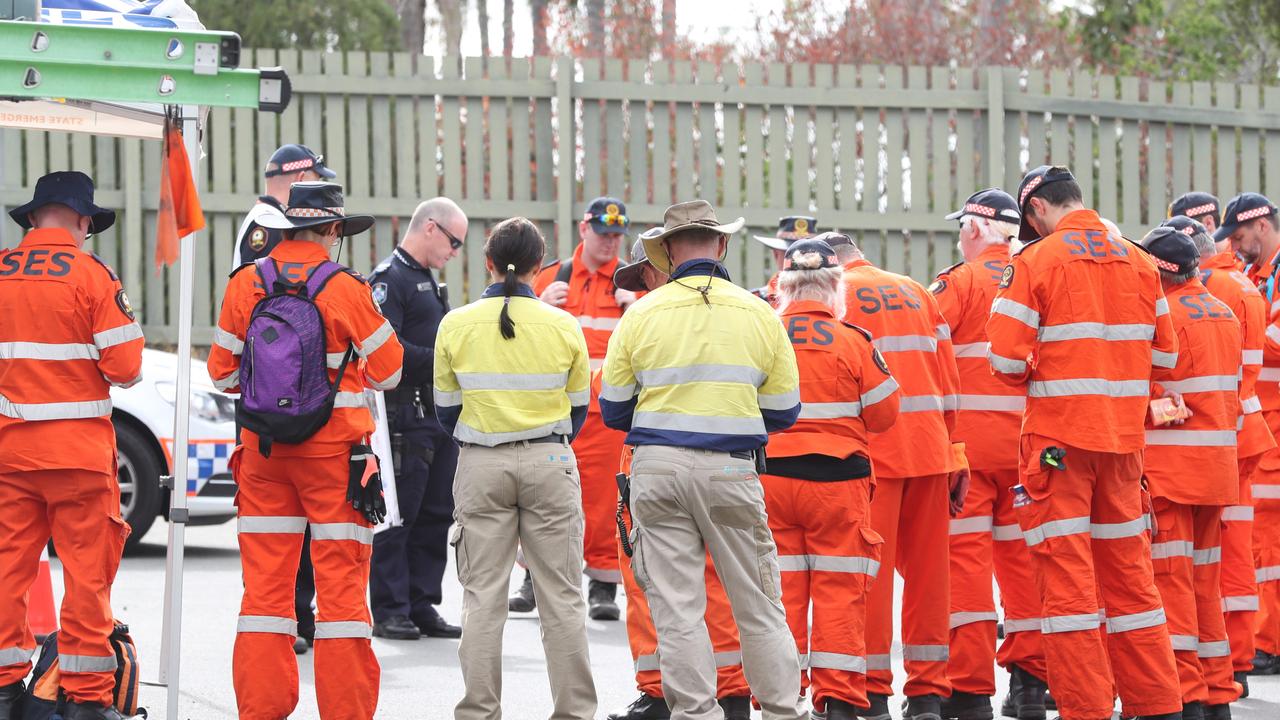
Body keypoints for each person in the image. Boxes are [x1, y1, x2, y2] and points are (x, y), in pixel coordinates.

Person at [987, 164, 1182, 720]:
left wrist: (1043, 368)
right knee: (1132, 581)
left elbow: (1002, 359)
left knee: (1068, 585)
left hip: (1058, 449)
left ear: (1035, 211)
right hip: (1122, 447)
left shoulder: (1035, 259)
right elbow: (1166, 359)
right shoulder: (1141, 261)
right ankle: (1157, 705)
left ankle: (1088, 709)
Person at [600, 200, 807, 720]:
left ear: (667, 252)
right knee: (758, 605)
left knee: (677, 610)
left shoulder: (640, 313)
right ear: (722, 245)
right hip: (734, 467)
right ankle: (783, 711)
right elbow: (783, 411)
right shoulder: (760, 312)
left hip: (658, 469)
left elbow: (613, 409)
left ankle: (695, 714)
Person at [208, 181, 404, 720]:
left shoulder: (245, 283)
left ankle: (262, 709)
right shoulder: (346, 289)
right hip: (336, 461)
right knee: (341, 599)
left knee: (265, 597)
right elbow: (389, 372)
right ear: (334, 228)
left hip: (264, 456)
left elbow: (222, 373)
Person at [433, 217, 597, 720]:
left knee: (483, 596)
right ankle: (573, 712)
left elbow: (446, 409)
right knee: (562, 597)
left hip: (482, 463)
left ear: (487, 261)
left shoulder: (455, 324)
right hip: (550, 459)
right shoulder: (564, 325)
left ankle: (479, 711)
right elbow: (577, 408)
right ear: (538, 266)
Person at [0, 171, 144, 720]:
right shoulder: (91, 275)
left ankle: (5, 692)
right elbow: (127, 368)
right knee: (86, 579)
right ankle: (86, 703)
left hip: (10, 458)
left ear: (34, 218)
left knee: (7, 573)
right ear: (84, 222)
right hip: (79, 462)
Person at [607, 238, 753, 720]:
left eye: (642, 277)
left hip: (657, 465)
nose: (639, 289)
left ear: (660, 269)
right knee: (707, 584)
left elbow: (610, 401)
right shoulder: (731, 311)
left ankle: (671, 693)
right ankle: (716, 693)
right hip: (723, 463)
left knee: (663, 583)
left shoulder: (649, 319)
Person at [764, 236, 901, 719]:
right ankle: (839, 701)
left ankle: (781, 697)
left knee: (779, 591)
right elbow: (885, 415)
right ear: (834, 288)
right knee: (840, 590)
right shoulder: (854, 341)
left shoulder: (763, 335)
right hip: (838, 487)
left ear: (782, 286)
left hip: (771, 483)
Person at [833, 228, 964, 719]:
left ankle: (872, 691)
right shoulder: (915, 290)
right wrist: (956, 452)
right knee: (931, 578)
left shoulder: (835, 295)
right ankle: (928, 693)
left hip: (874, 456)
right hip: (930, 451)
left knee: (871, 577)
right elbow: (949, 380)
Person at [930, 190, 1049, 719]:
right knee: (1025, 568)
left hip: (967, 455)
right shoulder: (1035, 276)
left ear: (977, 230)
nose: (960, 235)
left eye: (963, 227)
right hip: (1028, 452)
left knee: (966, 567)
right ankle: (1029, 685)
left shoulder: (960, 282)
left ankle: (969, 688)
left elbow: (923, 351)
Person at [1163, 213, 1275, 696]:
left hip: (1187, 456)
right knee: (1224, 563)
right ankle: (1230, 668)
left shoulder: (1184, 307)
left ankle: (1196, 683)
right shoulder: (1235, 294)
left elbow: (1176, 400)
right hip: (1235, 439)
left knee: (1185, 572)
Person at [1138, 226, 1241, 719]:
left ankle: (1187, 695)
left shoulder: (1164, 316)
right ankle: (1218, 693)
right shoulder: (1222, 311)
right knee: (1205, 586)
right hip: (1216, 473)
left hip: (1173, 476)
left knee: (1171, 583)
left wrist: (1142, 410)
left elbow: (1177, 406)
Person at [520, 197, 633, 619]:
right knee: (544, 497)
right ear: (584, 230)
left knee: (605, 501)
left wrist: (634, 309)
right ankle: (533, 577)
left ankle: (603, 585)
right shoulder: (549, 280)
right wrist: (538, 305)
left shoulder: (631, 285)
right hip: (555, 409)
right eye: (603, 234)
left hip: (605, 413)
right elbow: (514, 336)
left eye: (617, 235)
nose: (610, 243)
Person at [367, 198, 469, 641]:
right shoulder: (390, 280)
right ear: (431, 227)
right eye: (454, 241)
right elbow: (386, 352)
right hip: (402, 418)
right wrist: (448, 362)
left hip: (434, 417)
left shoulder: (425, 278)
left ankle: (421, 602)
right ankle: (391, 608)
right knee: (400, 514)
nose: (455, 251)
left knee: (435, 512)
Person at [1226, 192, 1280, 677]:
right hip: (1267, 424)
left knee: (1268, 540)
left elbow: (1273, 344)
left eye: (1241, 237)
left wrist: (1240, 325)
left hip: (1274, 425)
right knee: (1266, 540)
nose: (1237, 248)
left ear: (1261, 225)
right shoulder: (1259, 279)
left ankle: (1271, 640)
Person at [232, 143, 335, 268]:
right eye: (315, 181)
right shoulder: (270, 223)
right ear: (300, 180)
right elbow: (260, 284)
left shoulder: (266, 218)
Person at [751, 215, 819, 305]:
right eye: (791, 254)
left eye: (806, 254)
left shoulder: (831, 300)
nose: (799, 260)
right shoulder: (755, 301)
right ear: (776, 255)